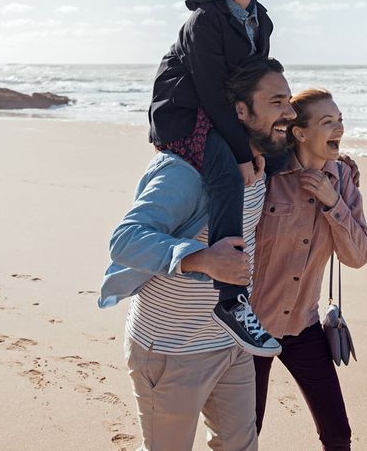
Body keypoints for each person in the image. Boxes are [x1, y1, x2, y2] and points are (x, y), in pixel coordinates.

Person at [100, 59, 296, 450]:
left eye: (289, 102)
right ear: (241, 110)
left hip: (229, 344)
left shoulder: (258, 166)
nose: (289, 113)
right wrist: (200, 258)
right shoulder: (185, 172)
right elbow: (125, 239)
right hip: (172, 351)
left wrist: (339, 171)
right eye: (277, 102)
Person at [147, 0, 280, 356]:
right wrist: (243, 153)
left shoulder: (261, 21)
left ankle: (276, 269)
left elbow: (253, 85)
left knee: (283, 154)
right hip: (184, 113)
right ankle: (231, 300)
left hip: (222, 109)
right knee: (227, 174)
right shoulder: (205, 18)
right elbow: (207, 90)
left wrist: (272, 138)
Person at [250, 88, 367, 451]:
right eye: (327, 121)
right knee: (245, 433)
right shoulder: (266, 177)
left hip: (303, 326)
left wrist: (333, 201)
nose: (339, 128)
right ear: (300, 133)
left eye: (340, 120)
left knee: (338, 434)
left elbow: (359, 255)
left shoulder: (343, 179)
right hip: (251, 330)